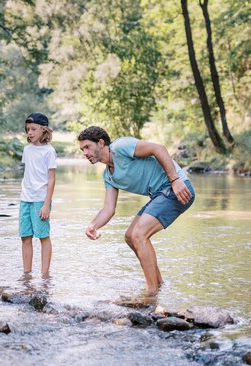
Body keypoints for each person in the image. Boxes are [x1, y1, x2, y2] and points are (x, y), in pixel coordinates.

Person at [77, 126, 195, 297]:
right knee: (130, 236)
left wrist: (175, 179)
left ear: (101, 143)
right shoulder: (109, 176)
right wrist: (93, 225)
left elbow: (158, 149)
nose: (85, 153)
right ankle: (158, 284)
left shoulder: (120, 147)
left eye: (87, 147)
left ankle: (151, 293)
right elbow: (109, 209)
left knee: (139, 234)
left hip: (176, 188)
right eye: (82, 149)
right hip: (159, 195)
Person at [19, 112, 57, 277]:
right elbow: (28, 174)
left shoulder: (49, 151)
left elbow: (51, 179)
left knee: (43, 236)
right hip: (25, 199)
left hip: (40, 200)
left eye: (34, 129)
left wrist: (46, 204)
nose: (30, 133)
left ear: (44, 130)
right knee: (25, 237)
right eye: (28, 129)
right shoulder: (27, 150)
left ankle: (44, 275)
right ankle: (27, 274)